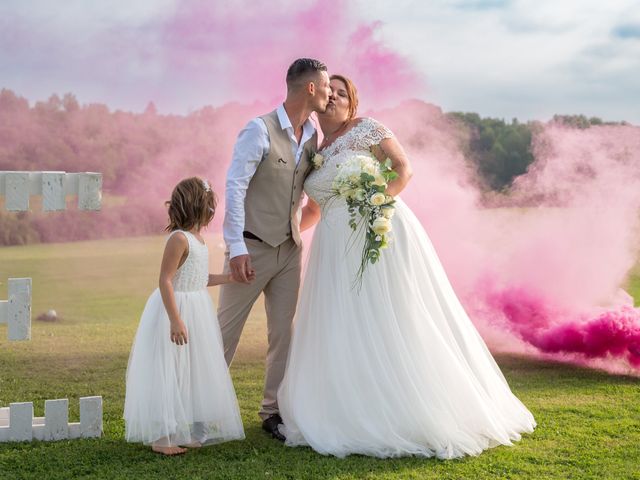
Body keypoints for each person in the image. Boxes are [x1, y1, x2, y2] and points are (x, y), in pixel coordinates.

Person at [277, 75, 536, 459]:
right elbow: (314, 208)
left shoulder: (367, 129)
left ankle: (415, 407)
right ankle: (353, 406)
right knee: (343, 321)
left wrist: (376, 204)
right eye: (329, 90)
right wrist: (283, 234)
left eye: (342, 92)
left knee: (392, 313)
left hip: (380, 232)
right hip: (333, 248)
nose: (333, 95)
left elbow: (403, 168)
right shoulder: (313, 149)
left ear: (353, 102)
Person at [217, 58, 331, 441]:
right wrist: (235, 247)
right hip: (250, 248)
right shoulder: (258, 129)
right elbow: (234, 186)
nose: (330, 93)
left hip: (290, 251)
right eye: (327, 86)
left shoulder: (313, 136)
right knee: (224, 335)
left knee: (283, 334)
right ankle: (196, 406)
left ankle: (272, 413)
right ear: (310, 88)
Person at [124, 177, 245, 455]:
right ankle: (162, 437)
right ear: (195, 207)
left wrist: (230, 278)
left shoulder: (199, 240)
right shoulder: (178, 239)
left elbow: (198, 278)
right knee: (169, 370)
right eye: (208, 205)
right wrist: (175, 320)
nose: (212, 212)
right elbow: (166, 280)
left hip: (196, 309)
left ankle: (181, 429)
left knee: (187, 370)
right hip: (175, 310)